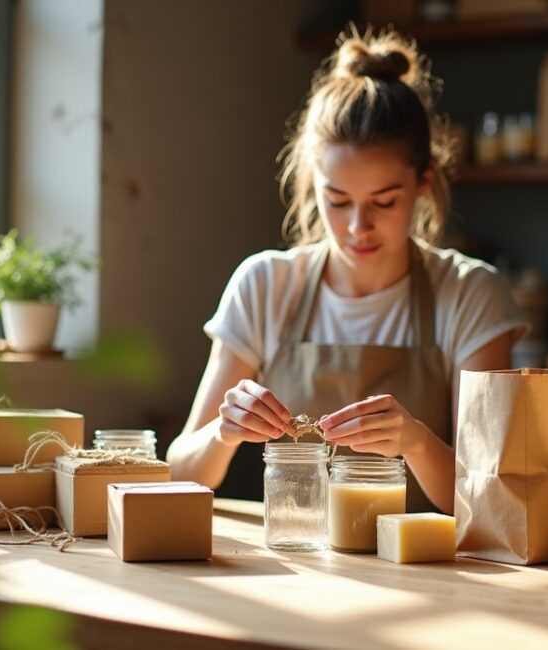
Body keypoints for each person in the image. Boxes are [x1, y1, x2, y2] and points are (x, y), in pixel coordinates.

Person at [166, 30, 527, 514]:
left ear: (423, 184)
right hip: (297, 561)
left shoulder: (469, 294)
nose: (359, 226)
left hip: (427, 575)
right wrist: (223, 432)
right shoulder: (265, 285)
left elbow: (487, 499)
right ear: (314, 185)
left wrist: (416, 442)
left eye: (384, 201)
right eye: (337, 200)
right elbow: (181, 472)